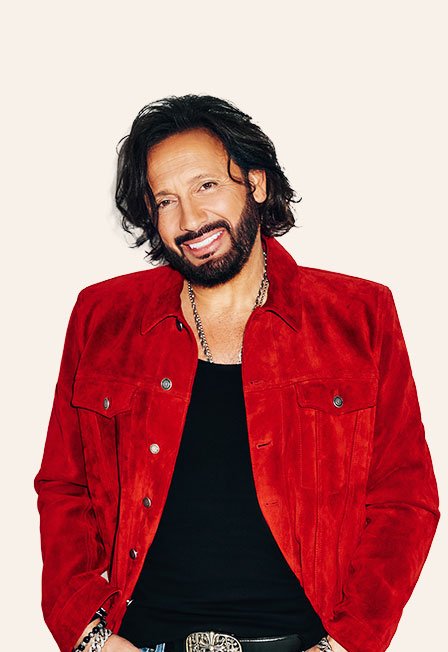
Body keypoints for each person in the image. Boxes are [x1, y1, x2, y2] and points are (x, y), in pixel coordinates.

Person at [34, 95, 440, 652]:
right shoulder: (103, 318)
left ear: (257, 183)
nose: (189, 220)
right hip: (140, 639)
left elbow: (405, 499)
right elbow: (65, 487)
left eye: (206, 186)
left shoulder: (358, 316)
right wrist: (90, 636)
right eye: (166, 200)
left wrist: (347, 644)